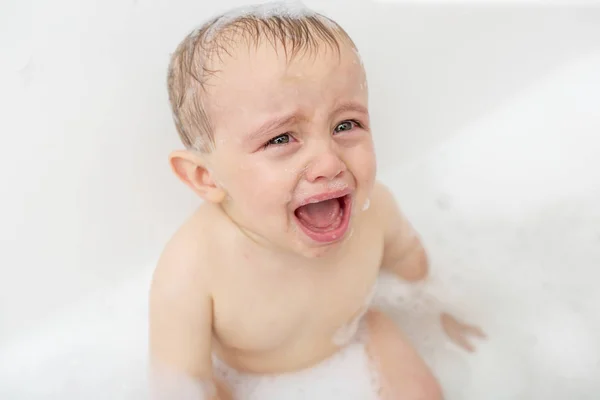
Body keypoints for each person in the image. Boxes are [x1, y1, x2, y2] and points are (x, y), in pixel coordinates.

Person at [149, 2, 484, 399]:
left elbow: (410, 262)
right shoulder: (192, 269)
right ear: (205, 177)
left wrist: (437, 309)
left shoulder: (377, 209)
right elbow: (181, 383)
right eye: (280, 138)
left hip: (359, 331)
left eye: (346, 125)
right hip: (250, 378)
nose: (328, 161)